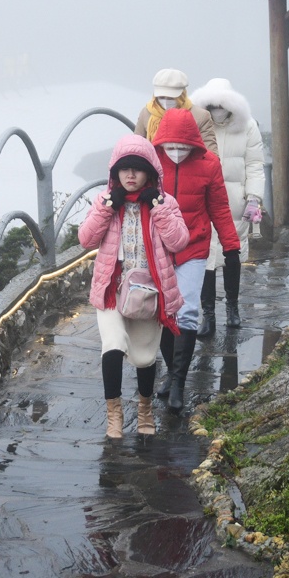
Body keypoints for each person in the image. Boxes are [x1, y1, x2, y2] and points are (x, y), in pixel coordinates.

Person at [76, 134, 188, 438]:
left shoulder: (164, 203)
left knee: (144, 358)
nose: (130, 175)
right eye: (124, 169)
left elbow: (179, 241)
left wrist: (160, 208)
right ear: (115, 173)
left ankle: (144, 409)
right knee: (112, 346)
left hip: (148, 294)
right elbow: (85, 239)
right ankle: (114, 415)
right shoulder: (106, 202)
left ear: (149, 172)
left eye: (136, 169)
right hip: (111, 290)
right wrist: (105, 209)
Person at [150, 107, 239, 411]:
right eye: (170, 147)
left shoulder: (209, 165)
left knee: (186, 310)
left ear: (194, 144)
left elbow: (220, 209)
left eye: (182, 147)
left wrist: (231, 244)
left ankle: (178, 382)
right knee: (162, 311)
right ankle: (170, 372)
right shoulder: (151, 163)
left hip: (194, 248)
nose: (175, 152)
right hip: (159, 248)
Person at [190, 78, 267, 331]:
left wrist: (254, 197)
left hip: (236, 202)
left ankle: (232, 307)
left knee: (232, 255)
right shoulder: (198, 124)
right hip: (204, 200)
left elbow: (255, 164)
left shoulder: (247, 126)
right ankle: (208, 315)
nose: (217, 109)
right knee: (206, 257)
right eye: (212, 105)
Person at [135, 69, 217, 153]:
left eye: (171, 98)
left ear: (182, 95)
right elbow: (136, 146)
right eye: (161, 97)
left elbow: (211, 152)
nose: (166, 101)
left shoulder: (200, 116)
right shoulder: (146, 113)